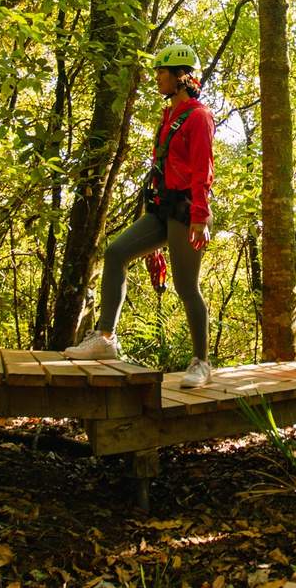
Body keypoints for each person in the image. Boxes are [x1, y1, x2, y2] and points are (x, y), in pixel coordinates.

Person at [65, 44, 215, 389]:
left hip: (187, 209)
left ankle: (201, 362)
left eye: (163, 72)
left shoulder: (199, 116)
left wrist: (199, 215)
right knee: (116, 252)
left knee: (186, 286)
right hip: (162, 208)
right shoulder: (168, 116)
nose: (157, 78)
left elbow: (202, 169)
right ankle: (105, 339)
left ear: (181, 77)